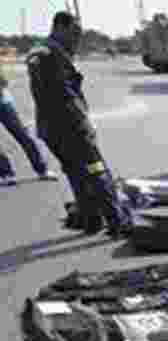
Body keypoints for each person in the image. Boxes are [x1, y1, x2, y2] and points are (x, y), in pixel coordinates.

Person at [26, 12, 132, 236]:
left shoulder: (39, 51)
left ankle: (91, 220)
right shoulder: (51, 53)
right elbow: (65, 95)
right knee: (97, 170)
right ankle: (117, 221)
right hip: (71, 128)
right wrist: (84, 123)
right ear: (60, 27)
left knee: (76, 174)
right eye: (74, 33)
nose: (77, 39)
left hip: (50, 130)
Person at [0, 61, 57, 185]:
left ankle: (42, 169)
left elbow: (3, 82)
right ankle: (6, 174)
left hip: (3, 103)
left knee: (22, 135)